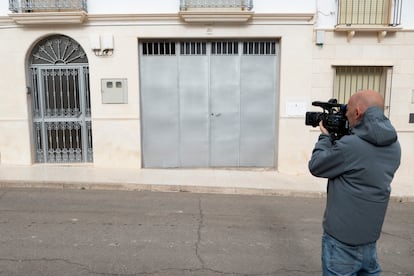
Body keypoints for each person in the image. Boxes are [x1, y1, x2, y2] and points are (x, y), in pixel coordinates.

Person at [308, 90, 401, 276]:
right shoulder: (394, 145)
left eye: (348, 112)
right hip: (369, 240)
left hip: (341, 244)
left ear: (358, 113)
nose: (346, 116)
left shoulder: (351, 147)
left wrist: (325, 137)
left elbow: (316, 166)